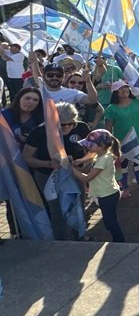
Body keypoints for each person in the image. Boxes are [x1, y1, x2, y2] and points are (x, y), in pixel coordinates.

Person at [23, 103, 90, 240]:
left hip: (74, 173)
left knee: (77, 204)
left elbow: (92, 151)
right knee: (57, 210)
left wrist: (84, 163)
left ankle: (79, 236)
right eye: (62, 125)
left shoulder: (82, 128)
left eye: (71, 124)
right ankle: (63, 240)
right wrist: (48, 164)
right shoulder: (40, 132)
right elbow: (27, 157)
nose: (67, 128)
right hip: (48, 176)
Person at [1, 87, 43, 237]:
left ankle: (37, 230)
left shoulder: (40, 119)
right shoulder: (5, 115)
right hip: (8, 164)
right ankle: (15, 232)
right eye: (27, 98)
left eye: (35, 100)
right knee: (12, 200)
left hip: (32, 164)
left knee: (34, 196)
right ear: (19, 98)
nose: (30, 102)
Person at [71, 129, 124, 242]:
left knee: (110, 222)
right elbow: (90, 160)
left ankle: (119, 241)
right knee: (109, 221)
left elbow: (87, 178)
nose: (87, 147)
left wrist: (70, 168)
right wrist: (79, 162)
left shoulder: (103, 160)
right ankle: (118, 240)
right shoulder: (103, 155)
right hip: (107, 193)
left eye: (90, 145)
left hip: (107, 195)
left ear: (102, 145)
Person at [103, 80, 139, 194]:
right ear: (115, 93)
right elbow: (108, 128)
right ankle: (124, 187)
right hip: (121, 141)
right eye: (121, 89)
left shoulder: (136, 101)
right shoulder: (111, 108)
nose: (125, 90)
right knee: (122, 165)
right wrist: (110, 144)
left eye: (126, 87)